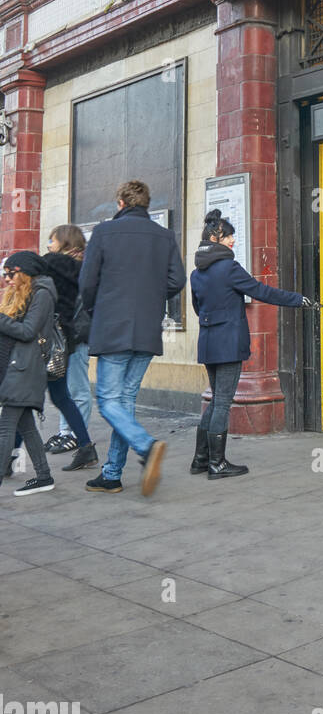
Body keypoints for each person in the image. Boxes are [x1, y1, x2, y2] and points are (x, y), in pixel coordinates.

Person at [79, 179, 185, 497]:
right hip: (147, 329)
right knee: (125, 401)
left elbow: (87, 282)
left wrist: (97, 307)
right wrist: (152, 298)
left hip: (113, 328)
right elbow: (177, 279)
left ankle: (147, 446)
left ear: (121, 204)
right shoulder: (164, 236)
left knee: (108, 401)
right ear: (146, 205)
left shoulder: (103, 233)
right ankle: (112, 473)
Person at [190, 209, 309, 478]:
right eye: (229, 236)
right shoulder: (228, 268)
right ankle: (217, 464)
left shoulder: (197, 273)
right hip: (228, 343)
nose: (233, 240)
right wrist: (296, 299)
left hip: (208, 342)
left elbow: (198, 309)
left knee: (215, 401)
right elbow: (261, 291)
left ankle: (200, 459)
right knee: (222, 402)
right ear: (215, 237)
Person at [0, 252, 58, 495]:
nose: (7, 279)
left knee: (5, 427)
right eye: (4, 275)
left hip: (26, 367)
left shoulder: (42, 293)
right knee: (27, 426)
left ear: (23, 271)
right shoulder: (23, 293)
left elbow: (27, 331)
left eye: (10, 274)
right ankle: (44, 476)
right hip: (16, 366)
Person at [41, 225, 97, 471]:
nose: (49, 245)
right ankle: (69, 432)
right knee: (66, 388)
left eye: (52, 240)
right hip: (73, 335)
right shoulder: (84, 268)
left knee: (75, 387)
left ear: (64, 243)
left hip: (72, 335)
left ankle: (73, 435)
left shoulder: (64, 267)